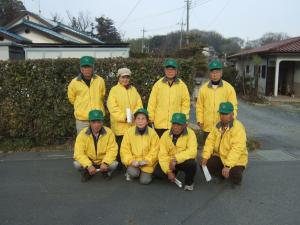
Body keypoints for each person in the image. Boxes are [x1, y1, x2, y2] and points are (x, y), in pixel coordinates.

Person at [200, 102, 248, 186]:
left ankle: (231, 173)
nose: (222, 116)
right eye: (221, 113)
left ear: (232, 114)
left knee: (235, 176)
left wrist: (228, 166)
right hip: (220, 157)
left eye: (226, 114)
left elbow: (237, 149)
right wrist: (205, 156)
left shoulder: (238, 128)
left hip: (236, 161)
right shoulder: (217, 125)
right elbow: (210, 142)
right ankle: (221, 174)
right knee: (204, 163)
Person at [107, 67, 143, 166]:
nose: (125, 79)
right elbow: (113, 108)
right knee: (119, 148)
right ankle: (120, 167)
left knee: (131, 147)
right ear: (118, 78)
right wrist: (125, 117)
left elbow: (139, 104)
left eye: (127, 77)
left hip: (132, 125)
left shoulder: (134, 90)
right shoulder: (114, 90)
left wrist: (134, 116)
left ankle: (129, 165)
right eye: (123, 77)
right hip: (120, 127)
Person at [196, 59, 238, 143]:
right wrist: (200, 120)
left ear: (221, 73)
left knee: (222, 151)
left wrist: (230, 121)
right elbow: (199, 106)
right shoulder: (203, 89)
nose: (215, 74)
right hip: (207, 127)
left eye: (217, 72)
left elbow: (233, 106)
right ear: (209, 74)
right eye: (213, 72)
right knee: (208, 151)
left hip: (223, 126)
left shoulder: (229, 88)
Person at [147, 58, 190, 137]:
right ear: (164, 70)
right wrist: (150, 119)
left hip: (176, 124)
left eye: (172, 69)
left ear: (176, 71)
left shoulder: (182, 86)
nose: (170, 71)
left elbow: (186, 104)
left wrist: (184, 119)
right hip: (159, 124)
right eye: (168, 69)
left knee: (174, 147)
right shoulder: (158, 85)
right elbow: (152, 103)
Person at [73, 109, 118, 182]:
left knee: (114, 164)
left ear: (102, 122)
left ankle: (105, 172)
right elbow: (78, 153)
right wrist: (88, 165)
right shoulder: (82, 134)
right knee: (76, 164)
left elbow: (112, 150)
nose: (96, 125)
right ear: (89, 122)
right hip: (89, 160)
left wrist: (105, 162)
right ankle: (87, 172)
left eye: (99, 122)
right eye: (93, 122)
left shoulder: (109, 133)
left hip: (102, 160)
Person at [157, 113, 197, 191]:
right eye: (174, 124)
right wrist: (168, 172)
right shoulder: (165, 135)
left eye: (179, 125)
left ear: (185, 125)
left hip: (182, 161)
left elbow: (193, 151)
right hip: (169, 162)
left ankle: (189, 183)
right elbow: (162, 155)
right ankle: (173, 172)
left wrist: (176, 159)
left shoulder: (191, 134)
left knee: (192, 164)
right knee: (157, 173)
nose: (175, 127)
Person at [120, 108, 160, 184]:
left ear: (147, 121)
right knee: (133, 173)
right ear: (135, 120)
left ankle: (145, 174)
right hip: (134, 162)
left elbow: (155, 150)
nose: (140, 121)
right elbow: (124, 150)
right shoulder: (129, 132)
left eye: (143, 119)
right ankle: (135, 172)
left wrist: (147, 160)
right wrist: (131, 161)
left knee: (144, 181)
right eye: (138, 118)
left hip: (147, 163)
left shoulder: (153, 134)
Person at [68, 56, 106, 134]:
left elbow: (102, 95)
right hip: (82, 119)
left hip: (97, 117)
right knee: (83, 142)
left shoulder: (100, 80)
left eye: (89, 67)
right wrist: (81, 107)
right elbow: (71, 98)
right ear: (81, 69)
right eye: (84, 67)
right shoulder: (74, 82)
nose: (87, 69)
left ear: (93, 68)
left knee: (99, 142)